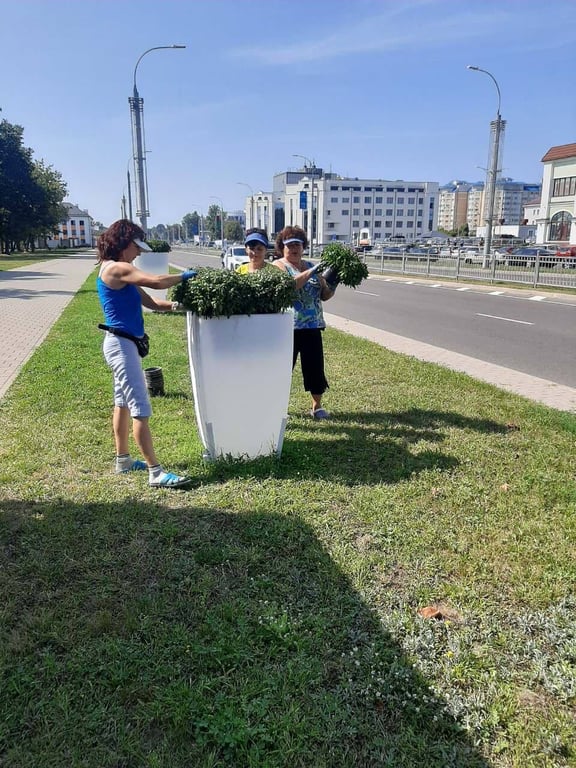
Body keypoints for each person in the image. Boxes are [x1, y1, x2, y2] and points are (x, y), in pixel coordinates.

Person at [96, 219, 196, 488]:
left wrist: (180, 305)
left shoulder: (119, 271)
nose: (139, 252)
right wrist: (182, 276)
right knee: (140, 407)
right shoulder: (117, 268)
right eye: (136, 247)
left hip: (123, 343)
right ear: (124, 243)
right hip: (122, 346)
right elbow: (155, 282)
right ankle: (156, 472)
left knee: (123, 403)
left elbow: (152, 302)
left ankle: (123, 460)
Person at [273, 225, 335, 419]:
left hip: (313, 325)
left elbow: (324, 295)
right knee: (283, 369)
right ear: (282, 247)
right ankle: (277, 408)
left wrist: (332, 282)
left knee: (315, 368)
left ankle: (317, 406)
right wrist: (312, 272)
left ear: (303, 246)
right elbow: (290, 287)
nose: (293, 249)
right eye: (289, 245)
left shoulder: (310, 265)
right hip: (287, 326)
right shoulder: (278, 266)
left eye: (297, 244)